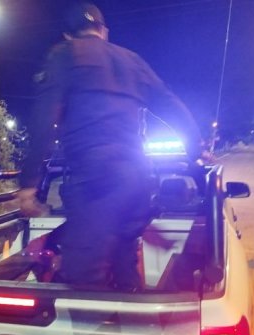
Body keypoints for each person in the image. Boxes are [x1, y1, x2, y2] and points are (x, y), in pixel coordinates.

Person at [17, 2, 200, 290]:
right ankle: (132, 324)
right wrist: (196, 152)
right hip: (138, 184)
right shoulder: (132, 60)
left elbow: (43, 121)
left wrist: (28, 183)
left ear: (68, 35)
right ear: (104, 31)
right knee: (122, 261)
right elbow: (169, 103)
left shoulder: (65, 55)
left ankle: (104, 332)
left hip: (96, 182)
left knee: (83, 278)